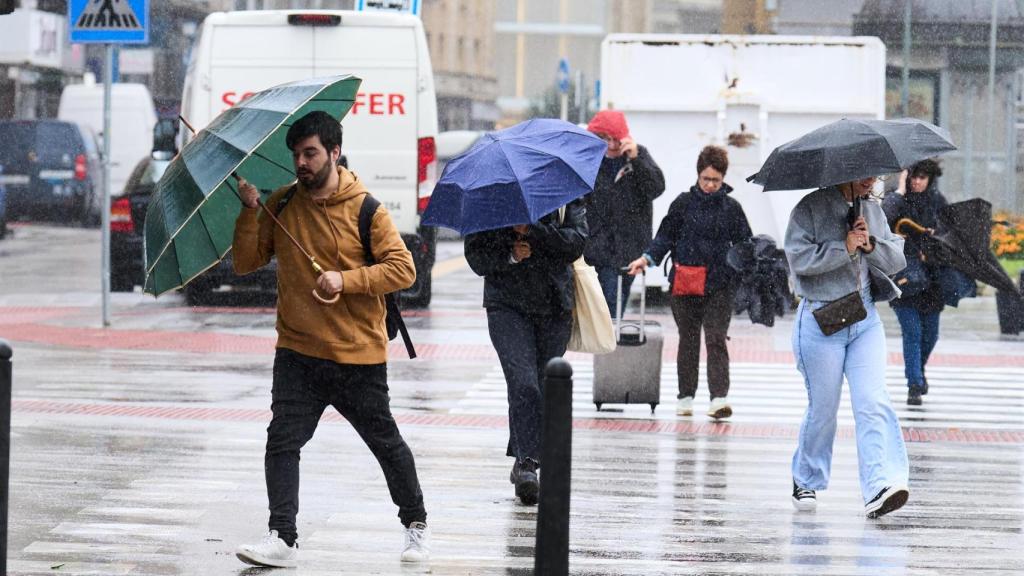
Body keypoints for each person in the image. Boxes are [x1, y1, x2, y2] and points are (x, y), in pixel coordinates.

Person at [231, 111, 428, 567]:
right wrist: (247, 211)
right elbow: (245, 263)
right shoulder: (280, 205)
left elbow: (404, 269)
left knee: (385, 443)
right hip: (297, 351)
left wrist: (347, 280)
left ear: (334, 152)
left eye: (310, 153)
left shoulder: (366, 209)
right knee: (282, 441)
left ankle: (415, 523)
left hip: (356, 355)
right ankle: (283, 535)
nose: (301, 162)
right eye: (296, 154)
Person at [784, 175, 910, 519]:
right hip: (821, 320)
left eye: (875, 174)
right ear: (844, 172)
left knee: (872, 401)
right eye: (864, 174)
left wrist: (870, 245)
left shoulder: (872, 209)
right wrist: (844, 247)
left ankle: (880, 485)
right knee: (824, 409)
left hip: (865, 319)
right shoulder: (810, 208)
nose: (871, 180)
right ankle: (805, 477)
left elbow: (896, 259)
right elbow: (799, 261)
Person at [464, 201, 587, 505]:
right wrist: (509, 249)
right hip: (507, 306)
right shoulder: (494, 200)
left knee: (543, 388)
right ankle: (527, 463)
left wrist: (534, 230)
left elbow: (576, 243)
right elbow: (476, 256)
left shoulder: (564, 195)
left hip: (554, 306)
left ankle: (524, 457)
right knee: (523, 383)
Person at [627, 145, 752, 420]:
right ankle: (685, 397)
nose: (710, 185)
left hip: (720, 284)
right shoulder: (682, 204)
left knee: (716, 338)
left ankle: (719, 398)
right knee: (689, 340)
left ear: (723, 179)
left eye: (716, 180)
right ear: (698, 176)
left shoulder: (732, 209)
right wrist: (646, 259)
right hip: (685, 284)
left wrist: (748, 272)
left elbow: (745, 244)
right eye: (706, 179)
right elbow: (664, 237)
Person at [584, 110, 665, 318]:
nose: (611, 146)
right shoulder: (589, 162)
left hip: (630, 247)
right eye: (604, 139)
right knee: (609, 305)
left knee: (617, 302)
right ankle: (609, 345)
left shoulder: (638, 156)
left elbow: (656, 188)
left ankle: (610, 344)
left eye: (615, 140)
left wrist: (637, 160)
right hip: (600, 248)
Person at [882, 160, 948, 406]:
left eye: (923, 177)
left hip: (932, 280)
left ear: (931, 178)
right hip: (904, 278)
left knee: (931, 334)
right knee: (912, 332)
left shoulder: (938, 202)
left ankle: (917, 372)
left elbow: (949, 236)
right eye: (913, 176)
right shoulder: (896, 200)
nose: (917, 181)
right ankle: (914, 384)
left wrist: (932, 248)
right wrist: (899, 190)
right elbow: (883, 219)